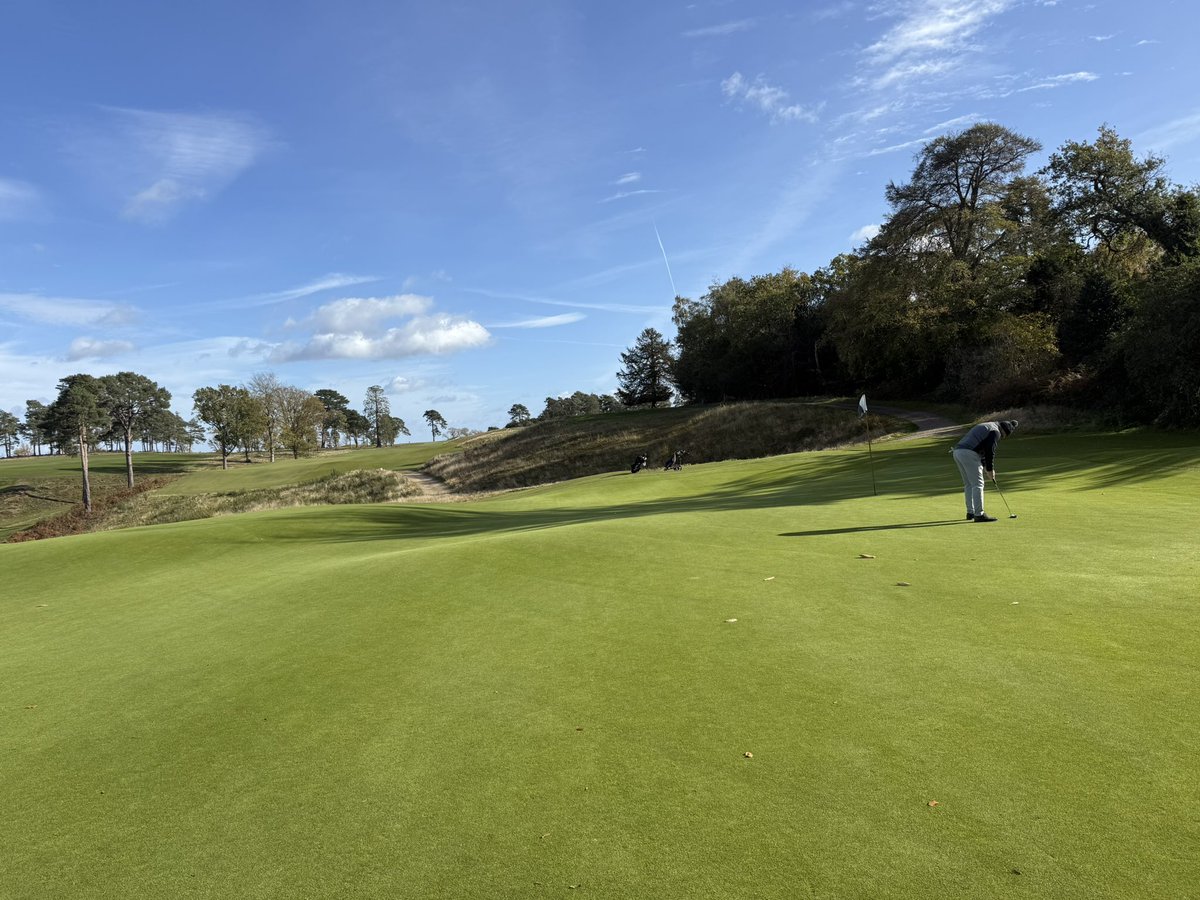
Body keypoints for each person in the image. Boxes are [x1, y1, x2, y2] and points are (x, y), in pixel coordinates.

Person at [951, 420, 1018, 522]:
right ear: (1004, 431)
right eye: (1004, 436)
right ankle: (979, 514)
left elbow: (981, 448)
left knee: (969, 484)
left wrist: (986, 467)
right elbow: (990, 451)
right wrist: (990, 469)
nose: (1001, 437)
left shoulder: (989, 426)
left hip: (958, 452)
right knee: (978, 484)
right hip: (969, 453)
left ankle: (971, 513)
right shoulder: (995, 431)